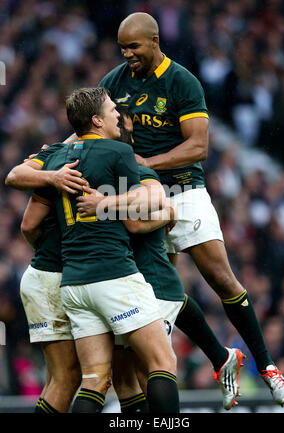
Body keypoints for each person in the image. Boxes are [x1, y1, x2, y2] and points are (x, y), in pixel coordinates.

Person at [97, 12, 284, 406]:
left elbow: (198, 146)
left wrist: (145, 163)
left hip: (185, 191)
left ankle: (268, 365)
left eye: (133, 47)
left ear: (154, 41)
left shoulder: (183, 82)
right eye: (122, 48)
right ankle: (222, 359)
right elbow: (92, 126)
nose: (127, 54)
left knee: (221, 280)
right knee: (164, 288)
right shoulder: (113, 82)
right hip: (139, 196)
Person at [77, 106, 246, 411]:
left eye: (125, 126)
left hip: (152, 285)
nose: (126, 132)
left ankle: (219, 359)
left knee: (151, 368)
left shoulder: (138, 173)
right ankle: (222, 356)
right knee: (124, 378)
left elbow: (135, 223)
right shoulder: (97, 170)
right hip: (120, 286)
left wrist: (163, 210)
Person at [31, 86, 180, 413]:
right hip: (112, 273)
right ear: (97, 120)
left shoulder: (55, 158)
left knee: (95, 378)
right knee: (162, 361)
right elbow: (142, 206)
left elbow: (26, 215)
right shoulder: (118, 152)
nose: (120, 117)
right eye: (113, 111)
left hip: (73, 282)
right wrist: (109, 203)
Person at [19, 196, 81, 413]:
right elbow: (27, 225)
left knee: (57, 377)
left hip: (48, 278)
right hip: (49, 278)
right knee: (68, 376)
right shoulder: (58, 170)